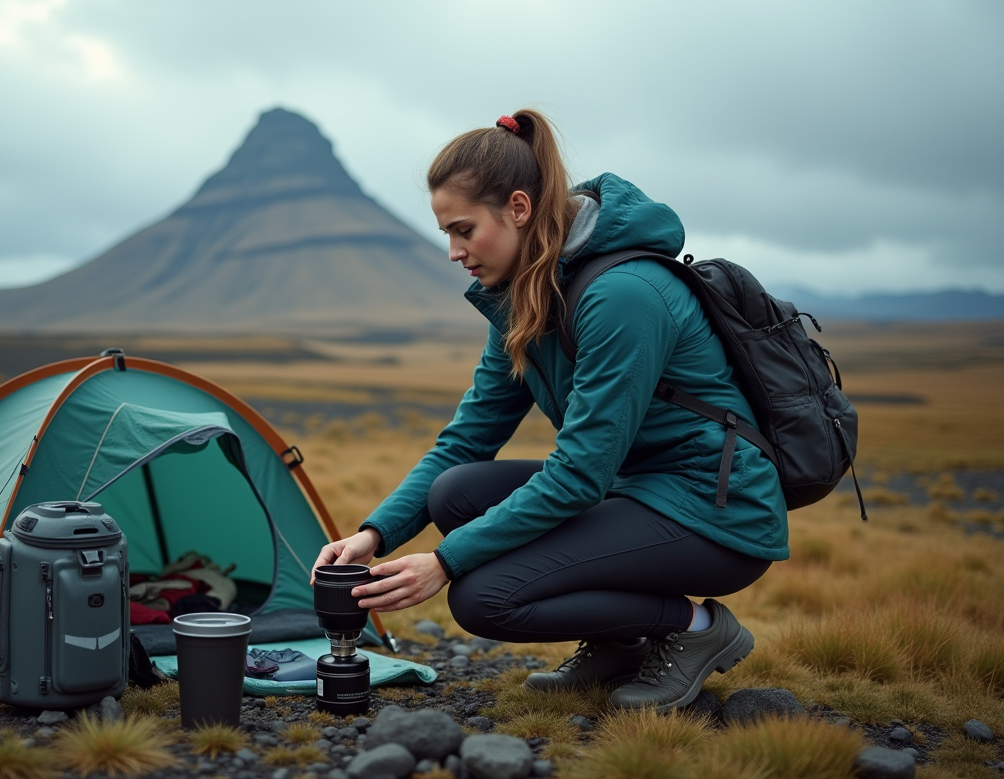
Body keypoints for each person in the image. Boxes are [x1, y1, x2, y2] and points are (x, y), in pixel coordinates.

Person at [310, 109, 787, 712]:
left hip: (714, 515)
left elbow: (580, 473)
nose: (454, 252)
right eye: (446, 235)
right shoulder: (522, 297)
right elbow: (467, 439)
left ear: (517, 208)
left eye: (463, 230)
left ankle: (695, 629)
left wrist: (444, 561)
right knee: (455, 490)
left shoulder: (623, 295)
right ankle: (622, 642)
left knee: (483, 598)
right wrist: (375, 534)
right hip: (637, 491)